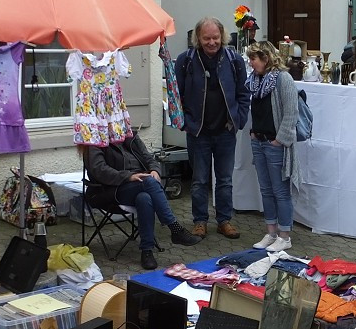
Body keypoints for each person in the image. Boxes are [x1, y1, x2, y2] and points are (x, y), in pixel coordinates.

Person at [175, 17, 251, 240]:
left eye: (215, 38)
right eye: (206, 38)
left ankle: (224, 220)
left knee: (225, 179)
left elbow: (243, 94)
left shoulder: (234, 60)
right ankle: (200, 222)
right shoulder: (185, 60)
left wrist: (238, 119)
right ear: (198, 38)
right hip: (197, 132)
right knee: (199, 180)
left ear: (223, 37)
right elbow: (175, 94)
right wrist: (185, 122)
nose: (211, 42)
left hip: (225, 130)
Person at [83, 131, 201, 270]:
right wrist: (128, 176)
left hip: (139, 186)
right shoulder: (95, 139)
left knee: (144, 197)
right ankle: (175, 228)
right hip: (110, 190)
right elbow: (100, 170)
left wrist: (155, 170)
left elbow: (149, 157)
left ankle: (147, 251)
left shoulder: (130, 135)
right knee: (149, 183)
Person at [245, 41, 298, 252]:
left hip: (274, 142)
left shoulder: (282, 79)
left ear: (265, 58)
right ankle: (271, 232)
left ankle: (285, 236)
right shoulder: (255, 80)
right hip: (258, 140)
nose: (250, 63)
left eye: (253, 59)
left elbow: (290, 112)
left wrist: (280, 139)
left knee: (280, 191)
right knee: (266, 190)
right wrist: (252, 133)